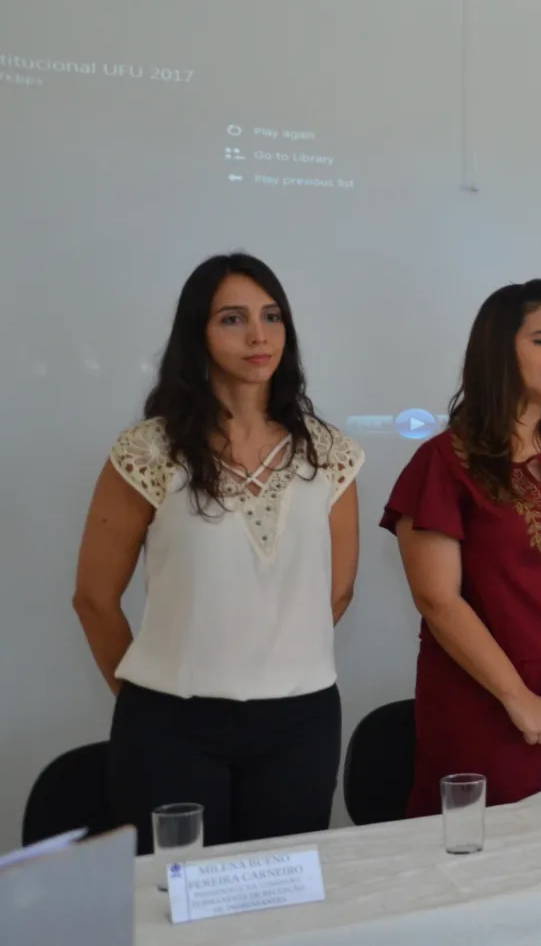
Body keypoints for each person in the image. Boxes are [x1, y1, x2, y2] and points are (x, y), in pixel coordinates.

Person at [74, 253, 362, 853]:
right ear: (197, 334)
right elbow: (94, 598)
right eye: (233, 318)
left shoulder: (330, 453)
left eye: (272, 316)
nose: (259, 335)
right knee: (179, 898)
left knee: (283, 898)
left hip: (300, 723)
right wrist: (155, 701)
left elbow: (336, 592)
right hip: (172, 725)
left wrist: (266, 654)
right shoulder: (150, 450)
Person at [383, 279, 541, 814]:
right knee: (485, 850)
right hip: (486, 699)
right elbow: (437, 598)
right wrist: (518, 700)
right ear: (498, 348)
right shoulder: (443, 461)